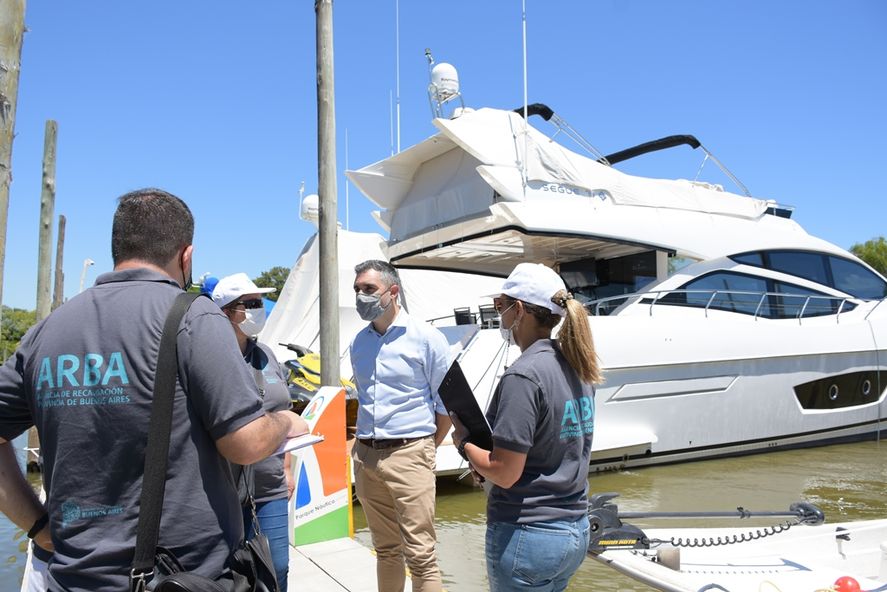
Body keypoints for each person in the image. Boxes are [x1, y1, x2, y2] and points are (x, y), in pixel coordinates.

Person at [0, 188, 306, 592]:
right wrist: (284, 421)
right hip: (180, 576)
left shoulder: (47, 331)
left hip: (70, 576)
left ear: (118, 246)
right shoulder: (192, 316)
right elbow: (245, 443)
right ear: (186, 256)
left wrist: (39, 526)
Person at [451, 262, 601, 592]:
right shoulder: (579, 365)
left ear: (518, 310)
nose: (499, 315)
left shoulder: (524, 375)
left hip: (529, 534)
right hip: (573, 529)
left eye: (500, 306)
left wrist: (463, 443)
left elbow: (505, 472)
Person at [349, 259, 451, 592]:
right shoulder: (359, 342)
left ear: (393, 292)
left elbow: (446, 405)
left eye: (369, 289)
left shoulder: (427, 338)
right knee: (386, 550)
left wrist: (425, 449)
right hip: (366, 456)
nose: (361, 296)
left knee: (421, 556)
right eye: (357, 289)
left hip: (410, 452)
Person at [210, 272, 299, 590]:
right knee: (232, 577)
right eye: (250, 304)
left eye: (260, 302)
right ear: (225, 312)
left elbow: (282, 413)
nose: (258, 309)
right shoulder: (209, 358)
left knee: (277, 570)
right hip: (221, 493)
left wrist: (286, 469)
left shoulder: (267, 356)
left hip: (269, 488)